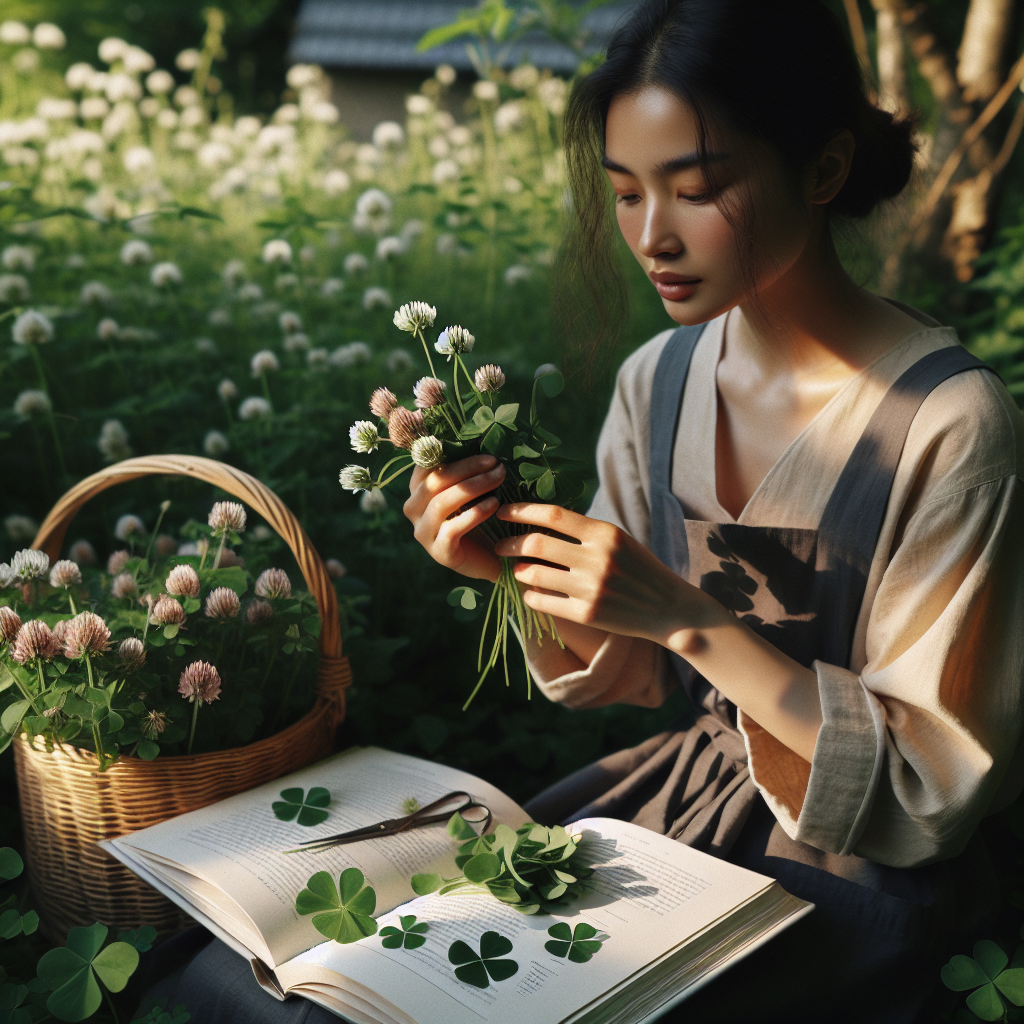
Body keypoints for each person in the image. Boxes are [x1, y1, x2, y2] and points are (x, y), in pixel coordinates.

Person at [404, 1, 1023, 1021]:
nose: (652, 235)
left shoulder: (951, 425)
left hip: (860, 864)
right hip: (678, 803)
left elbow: (929, 784)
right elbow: (635, 670)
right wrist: (514, 568)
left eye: (697, 188)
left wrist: (690, 617)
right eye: (625, 193)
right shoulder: (661, 378)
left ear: (821, 171)